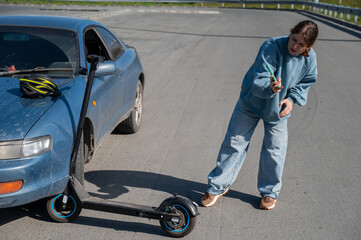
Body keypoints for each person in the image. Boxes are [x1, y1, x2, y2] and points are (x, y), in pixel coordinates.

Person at [201, 20, 318, 210]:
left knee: (275, 149)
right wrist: (270, 87)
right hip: (252, 101)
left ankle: (270, 192)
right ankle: (216, 187)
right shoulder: (272, 45)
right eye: (293, 39)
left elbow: (306, 81)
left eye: (300, 44)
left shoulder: (309, 58)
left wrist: (291, 99)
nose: (294, 46)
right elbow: (260, 78)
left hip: (278, 108)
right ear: (290, 33)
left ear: (309, 46)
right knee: (234, 142)